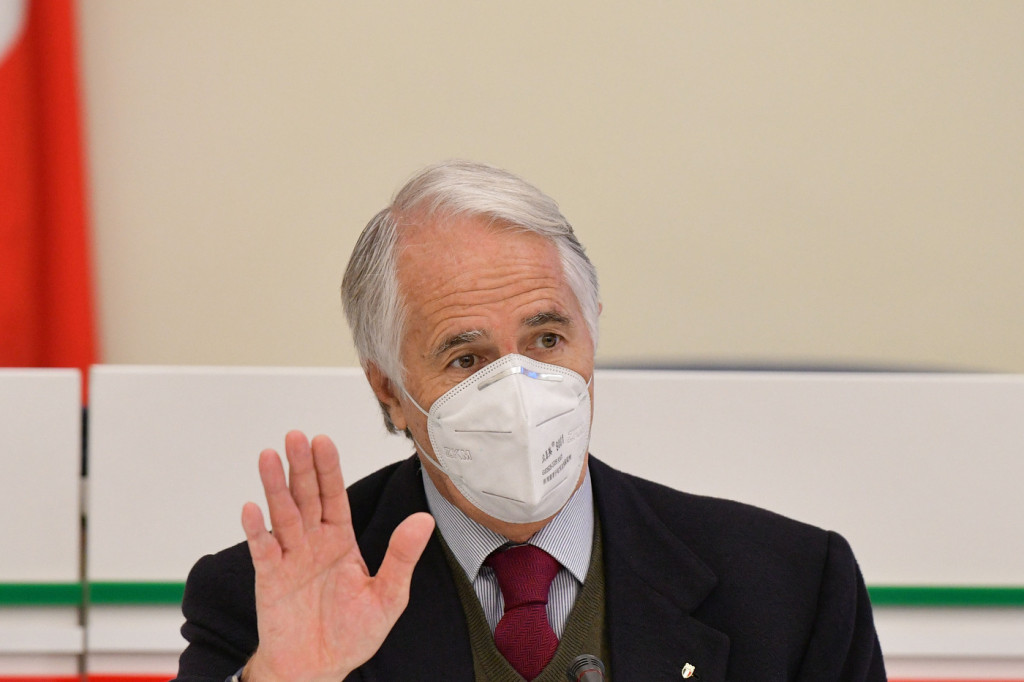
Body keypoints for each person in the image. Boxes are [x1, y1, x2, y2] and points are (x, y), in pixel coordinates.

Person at [174, 160, 886, 681]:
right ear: (388, 389)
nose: (517, 390)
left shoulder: (790, 587)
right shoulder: (264, 601)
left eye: (547, 340)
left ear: (592, 334)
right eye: (465, 358)